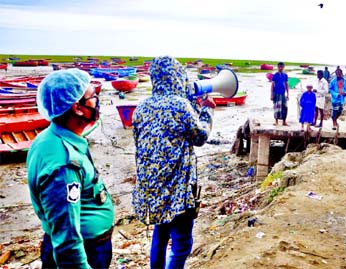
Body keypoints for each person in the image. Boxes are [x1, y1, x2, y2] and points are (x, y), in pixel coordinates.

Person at [132, 56, 215, 269]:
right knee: (182, 245)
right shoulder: (180, 105)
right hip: (178, 189)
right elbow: (200, 137)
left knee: (160, 235)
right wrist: (206, 110)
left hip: (152, 189)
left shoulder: (141, 108)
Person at [27, 69, 114, 269]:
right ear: (77, 108)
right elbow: (67, 240)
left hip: (88, 246)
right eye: (93, 97)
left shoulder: (50, 137)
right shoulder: (64, 164)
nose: (97, 101)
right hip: (85, 251)